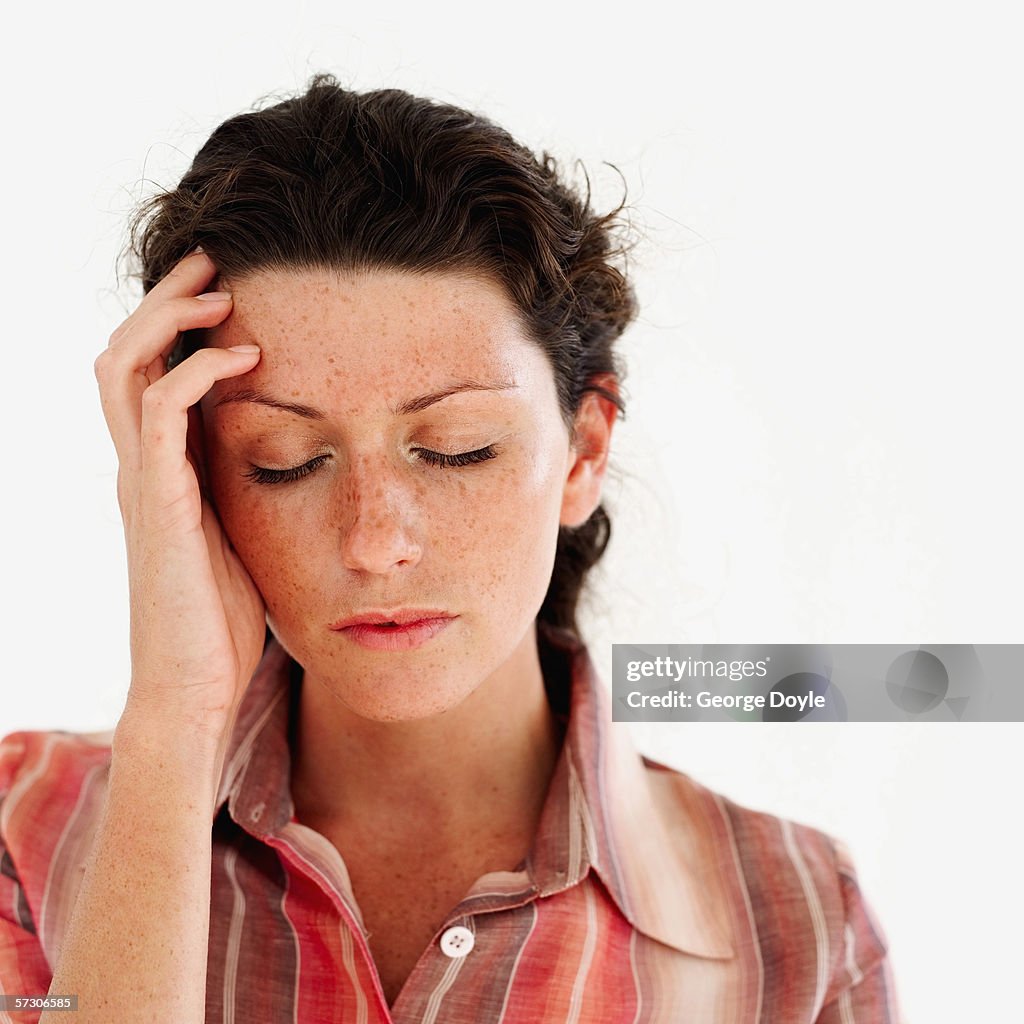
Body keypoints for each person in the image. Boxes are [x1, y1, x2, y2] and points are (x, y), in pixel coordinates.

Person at [0, 74, 900, 1023]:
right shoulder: (26, 826)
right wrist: (175, 727)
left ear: (584, 449)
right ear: (194, 475)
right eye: (285, 461)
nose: (377, 541)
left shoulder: (799, 928)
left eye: (458, 449)